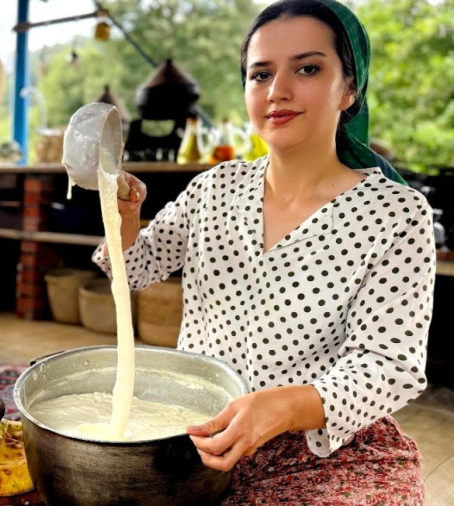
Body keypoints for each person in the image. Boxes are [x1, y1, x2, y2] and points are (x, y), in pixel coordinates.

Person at [94, 0, 434, 503]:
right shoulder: (214, 189)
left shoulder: (395, 214)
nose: (278, 91)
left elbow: (390, 363)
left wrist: (286, 407)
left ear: (350, 89)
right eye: (260, 74)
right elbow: (136, 269)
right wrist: (121, 217)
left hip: (323, 450)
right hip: (198, 429)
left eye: (308, 68)